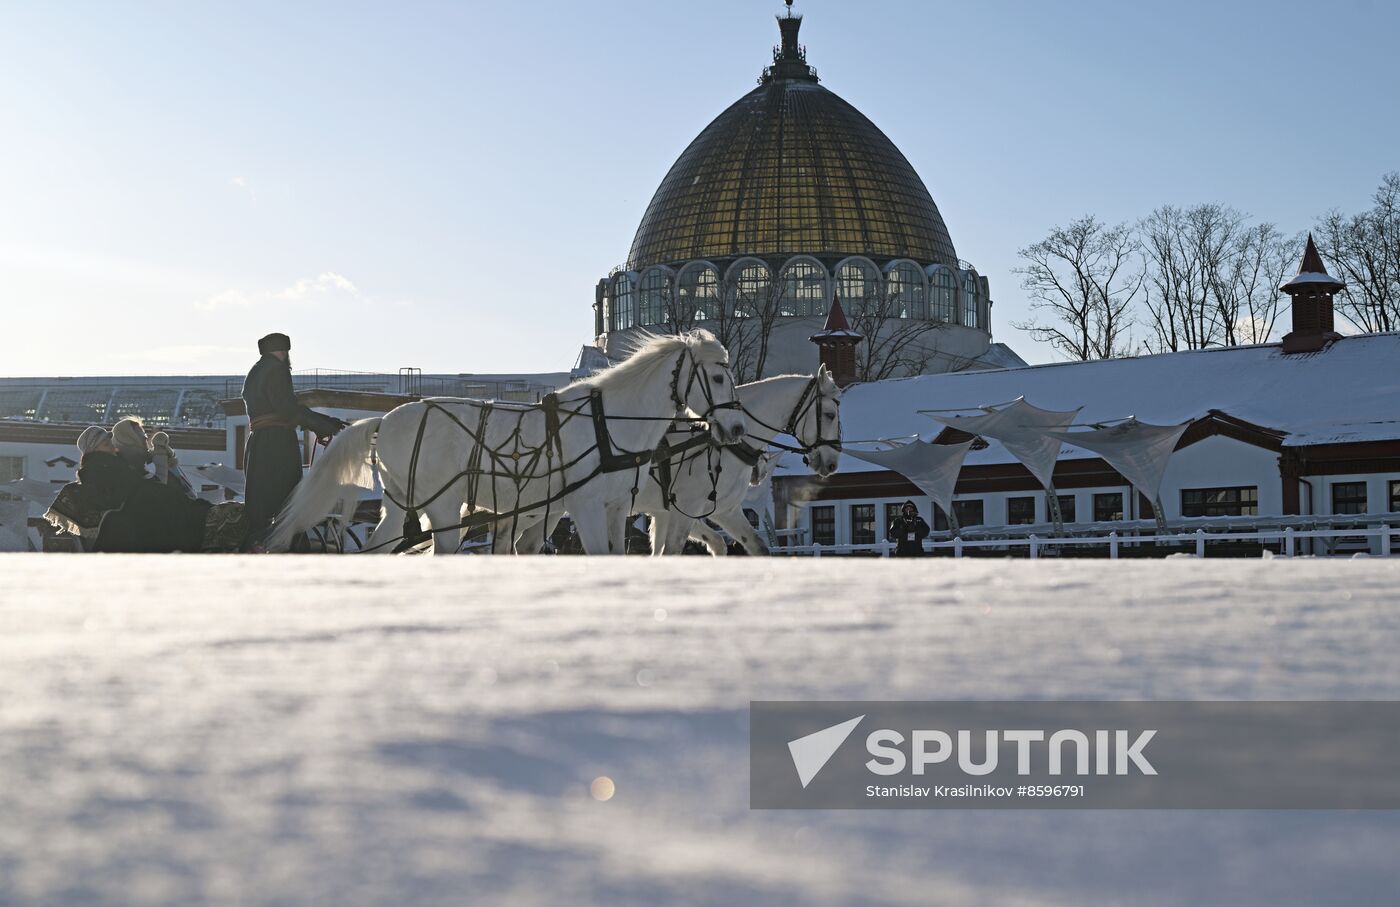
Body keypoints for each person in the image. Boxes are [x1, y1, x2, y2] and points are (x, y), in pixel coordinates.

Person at [240, 332, 347, 545]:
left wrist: (323, 423)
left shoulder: (254, 372)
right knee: (288, 502)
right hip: (277, 444)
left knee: (260, 505)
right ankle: (296, 549)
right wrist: (325, 426)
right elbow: (288, 410)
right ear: (283, 352)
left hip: (257, 444)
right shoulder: (277, 369)